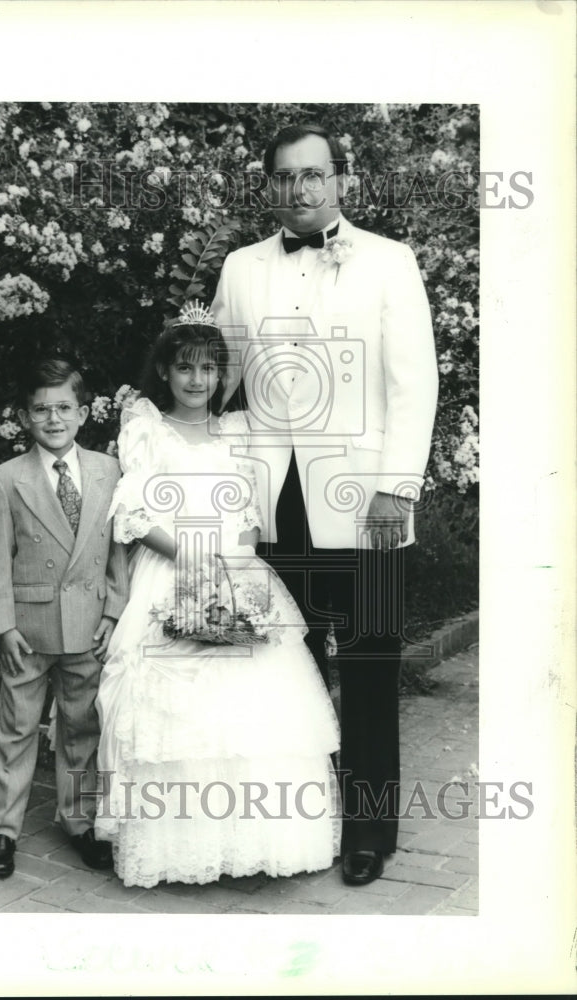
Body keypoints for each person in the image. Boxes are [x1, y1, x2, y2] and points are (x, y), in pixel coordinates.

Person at [211, 123, 438, 886]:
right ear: (267, 187)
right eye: (284, 177)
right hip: (274, 501)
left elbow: (414, 386)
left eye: (314, 175)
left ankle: (369, 831)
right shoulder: (241, 269)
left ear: (340, 180)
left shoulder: (388, 262)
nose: (299, 190)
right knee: (287, 668)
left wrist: (393, 489)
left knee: (370, 668)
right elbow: (214, 376)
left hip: (364, 503)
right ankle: (299, 826)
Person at [93, 306, 340, 889]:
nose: (197, 380)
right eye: (184, 368)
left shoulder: (237, 429)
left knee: (252, 704)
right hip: (172, 562)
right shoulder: (146, 425)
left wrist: (237, 569)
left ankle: (250, 838)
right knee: (173, 706)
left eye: (208, 369)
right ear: (164, 371)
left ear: (221, 375)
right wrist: (189, 558)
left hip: (234, 566)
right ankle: (179, 843)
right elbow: (131, 511)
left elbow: (249, 511)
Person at [0, 358, 129, 878]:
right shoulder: (5, 479)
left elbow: (117, 549)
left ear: (84, 413)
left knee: (82, 728)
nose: (53, 418)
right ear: (25, 417)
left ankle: (81, 821)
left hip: (88, 625)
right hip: (30, 628)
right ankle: (1, 830)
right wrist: (3, 625)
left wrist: (114, 608)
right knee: (15, 728)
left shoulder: (109, 471)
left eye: (64, 407)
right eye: (41, 409)